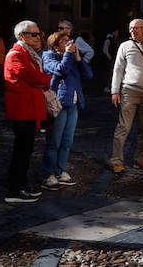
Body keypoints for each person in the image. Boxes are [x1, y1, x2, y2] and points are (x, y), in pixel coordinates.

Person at [3, 20, 50, 203]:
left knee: (26, 149)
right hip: (23, 108)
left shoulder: (28, 54)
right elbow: (34, 77)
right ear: (21, 36)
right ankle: (14, 190)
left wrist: (42, 79)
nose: (38, 37)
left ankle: (22, 184)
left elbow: (38, 78)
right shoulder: (16, 54)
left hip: (29, 107)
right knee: (21, 150)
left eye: (38, 34)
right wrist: (44, 79)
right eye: (34, 34)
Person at [110, 19, 143, 173]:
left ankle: (141, 158)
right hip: (129, 91)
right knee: (123, 127)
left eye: (136, 28)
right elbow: (118, 69)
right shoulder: (125, 46)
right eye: (131, 28)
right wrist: (115, 91)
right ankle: (117, 160)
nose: (133, 30)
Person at [41, 29, 92, 189]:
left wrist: (78, 59)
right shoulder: (49, 56)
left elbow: (88, 75)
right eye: (65, 41)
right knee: (54, 141)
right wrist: (69, 55)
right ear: (56, 45)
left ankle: (59, 170)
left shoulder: (71, 58)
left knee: (67, 142)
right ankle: (48, 174)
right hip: (59, 104)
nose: (69, 43)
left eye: (69, 40)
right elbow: (60, 70)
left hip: (73, 104)